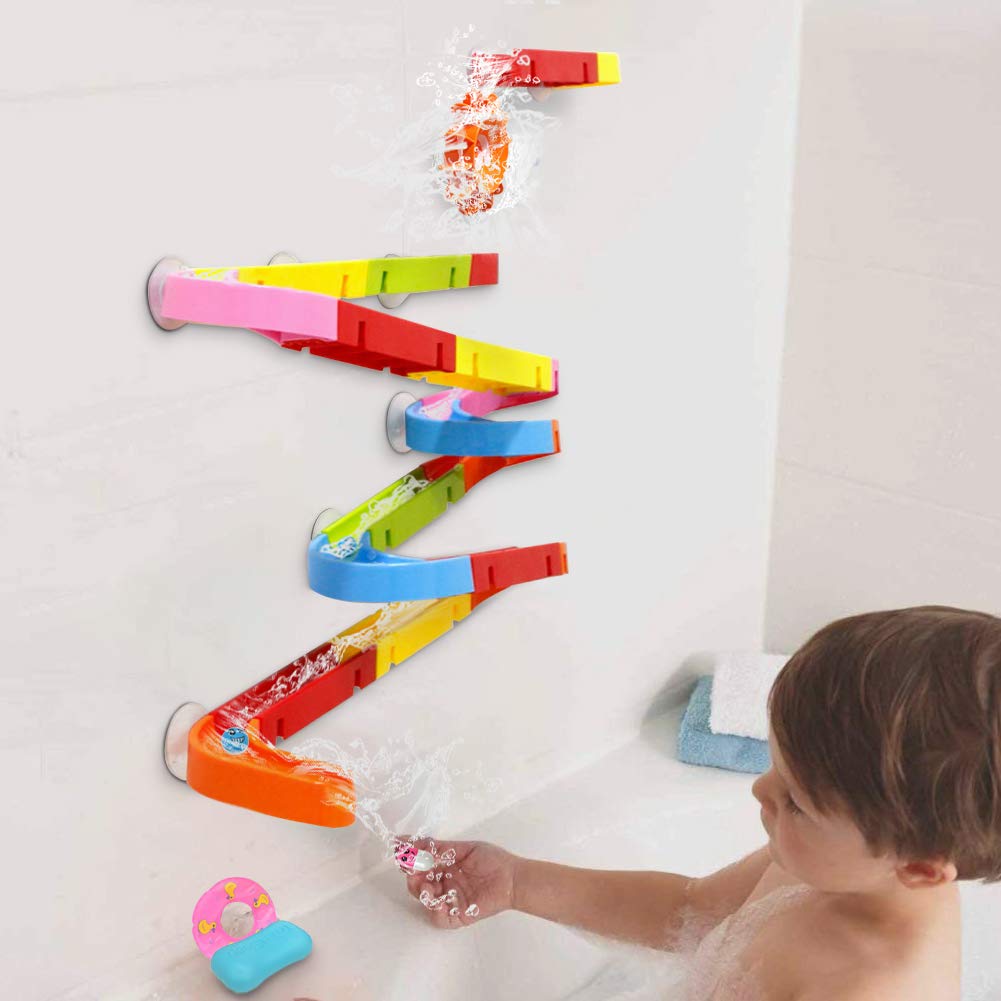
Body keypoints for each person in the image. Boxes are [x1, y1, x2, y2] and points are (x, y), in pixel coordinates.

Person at [399, 606, 1001, 999]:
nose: (759, 790)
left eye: (795, 801)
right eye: (775, 765)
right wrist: (518, 882)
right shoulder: (830, 864)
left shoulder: (873, 987)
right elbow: (690, 910)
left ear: (919, 868)